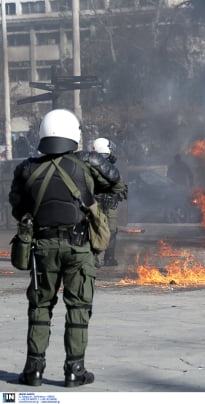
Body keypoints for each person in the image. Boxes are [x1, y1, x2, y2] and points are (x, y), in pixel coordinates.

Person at [9, 109, 125, 387]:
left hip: (43, 247)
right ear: (74, 135)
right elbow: (116, 183)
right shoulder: (86, 166)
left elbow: (17, 207)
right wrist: (92, 158)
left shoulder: (26, 169)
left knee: (39, 308)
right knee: (78, 309)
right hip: (78, 248)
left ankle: (33, 370)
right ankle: (75, 371)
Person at [92, 137, 127, 267]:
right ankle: (98, 258)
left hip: (107, 204)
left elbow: (121, 187)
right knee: (99, 230)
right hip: (98, 204)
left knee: (109, 231)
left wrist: (118, 193)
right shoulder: (92, 167)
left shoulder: (111, 168)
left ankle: (107, 258)